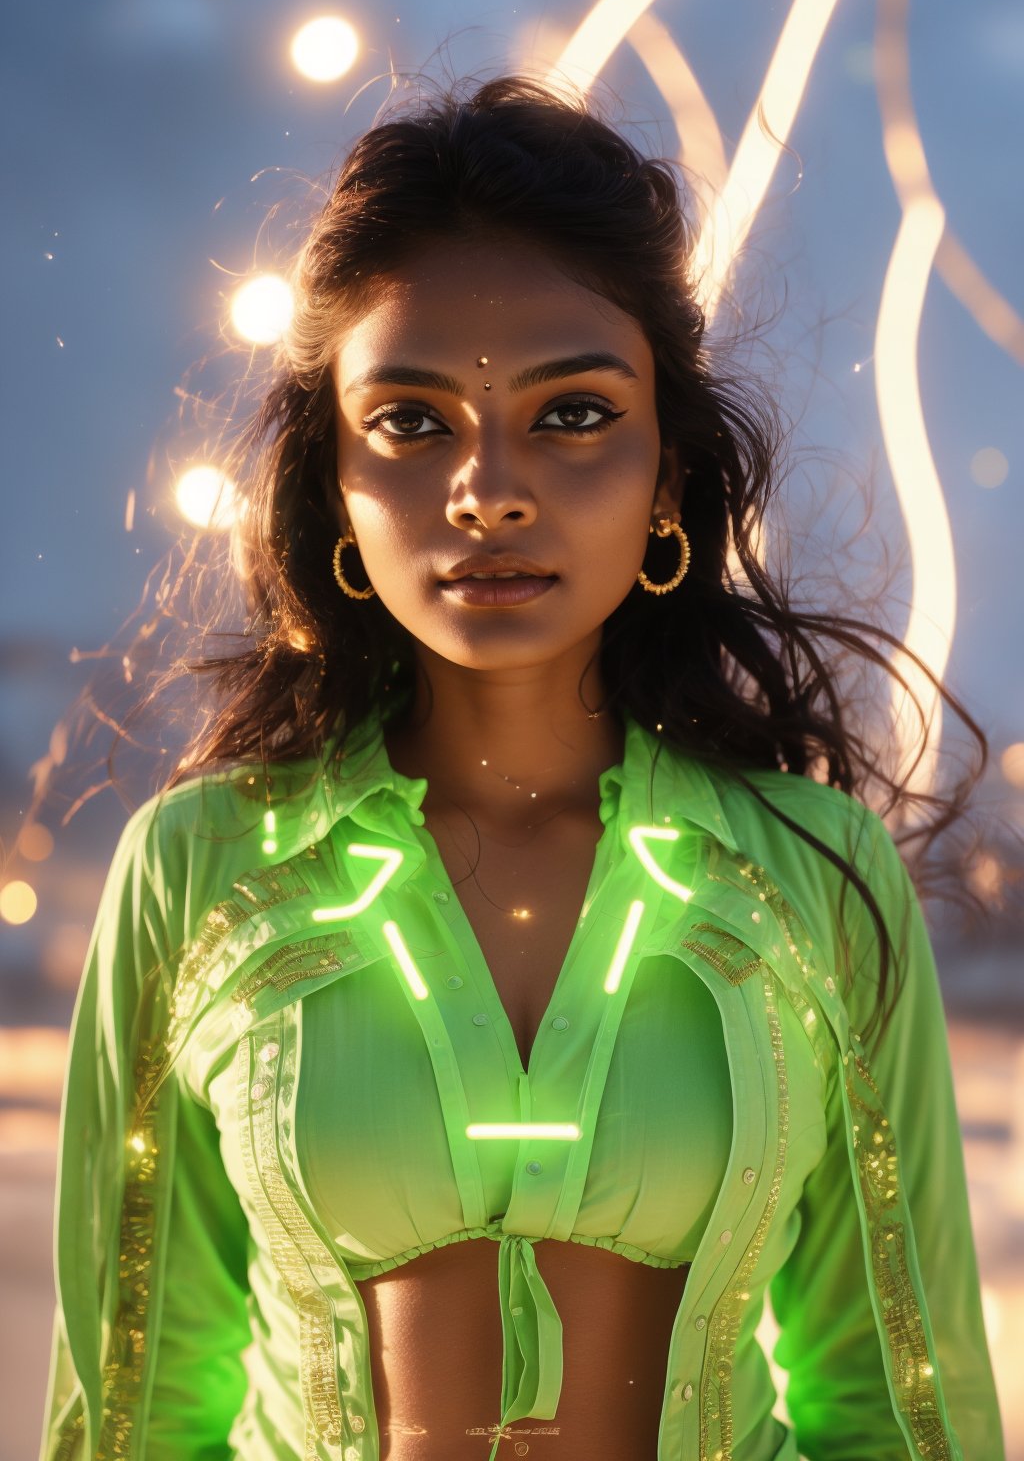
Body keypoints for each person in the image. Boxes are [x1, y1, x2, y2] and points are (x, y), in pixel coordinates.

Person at [39, 73, 1004, 1461]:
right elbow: (130, 1411)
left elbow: (902, 1408)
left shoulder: (810, 875)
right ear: (333, 487)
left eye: (572, 415)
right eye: (412, 421)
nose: (487, 488)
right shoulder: (202, 872)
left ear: (668, 476)